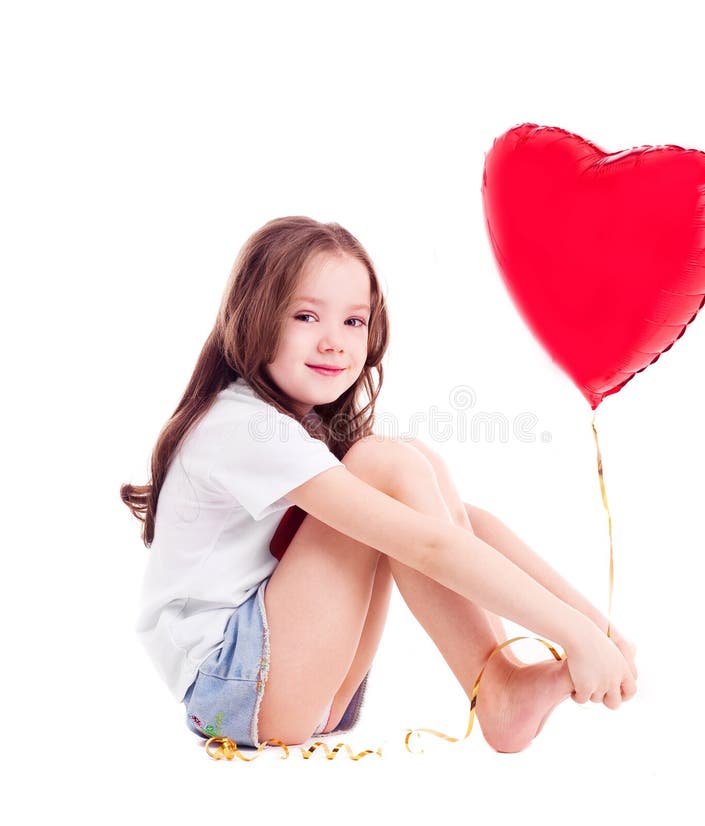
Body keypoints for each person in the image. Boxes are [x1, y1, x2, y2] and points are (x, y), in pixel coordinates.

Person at [121, 216, 637, 754]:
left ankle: (499, 682)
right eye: (305, 315)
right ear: (253, 317)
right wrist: (571, 635)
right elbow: (428, 545)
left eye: (353, 321)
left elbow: (466, 525)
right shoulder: (239, 426)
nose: (334, 342)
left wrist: (595, 627)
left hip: (303, 685)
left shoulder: (301, 429)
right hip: (233, 685)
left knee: (414, 464)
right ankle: (498, 687)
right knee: (384, 464)